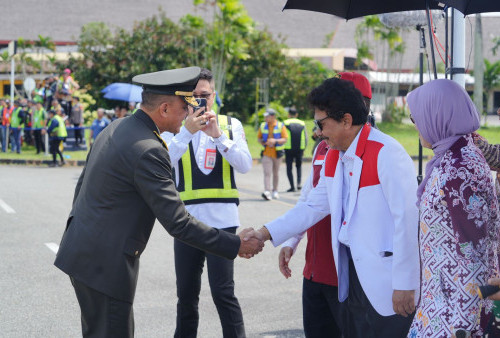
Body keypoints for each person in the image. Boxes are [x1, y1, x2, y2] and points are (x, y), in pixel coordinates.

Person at [53, 67, 263, 338]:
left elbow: (81, 187)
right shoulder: (149, 149)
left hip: (85, 252)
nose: (190, 113)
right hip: (106, 263)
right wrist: (236, 244)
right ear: (164, 108)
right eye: (184, 106)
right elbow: (178, 223)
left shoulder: (119, 127)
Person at [247, 77, 420, 337]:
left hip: (387, 281)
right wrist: (263, 233)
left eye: (321, 124)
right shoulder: (333, 157)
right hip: (350, 278)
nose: (317, 131)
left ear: (347, 121)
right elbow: (310, 208)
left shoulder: (387, 153)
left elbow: (408, 222)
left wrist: (406, 284)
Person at [277, 72, 375, 337]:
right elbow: (310, 199)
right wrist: (291, 241)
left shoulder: (377, 152)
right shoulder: (324, 147)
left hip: (347, 274)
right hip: (315, 269)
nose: (320, 127)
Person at [161, 68, 252, 338]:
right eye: (194, 96)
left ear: (214, 95)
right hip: (187, 222)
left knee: (223, 292)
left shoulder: (230, 125)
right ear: (186, 98)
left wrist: (218, 137)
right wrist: (188, 133)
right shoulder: (176, 128)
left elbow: (245, 165)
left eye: (205, 95)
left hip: (223, 222)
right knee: (186, 295)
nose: (200, 101)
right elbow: (164, 161)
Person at [406, 79, 500, 337]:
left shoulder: (458, 167)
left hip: (457, 308)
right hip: (441, 296)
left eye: (416, 119)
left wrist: (475, 304)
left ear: (438, 116)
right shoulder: (452, 156)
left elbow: (477, 248)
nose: (416, 126)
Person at [258, 108, 287, 200]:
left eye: (267, 116)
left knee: (276, 173)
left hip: (277, 153)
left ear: (273, 116)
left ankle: (275, 191)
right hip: (266, 152)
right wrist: (263, 142)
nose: (265, 118)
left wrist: (275, 141)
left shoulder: (280, 125)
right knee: (267, 173)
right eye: (265, 116)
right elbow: (259, 138)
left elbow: (285, 139)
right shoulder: (262, 125)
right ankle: (267, 191)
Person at [283, 108, 307, 192]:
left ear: (289, 115)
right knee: (299, 166)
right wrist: (304, 147)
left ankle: (292, 186)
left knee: (289, 168)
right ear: (296, 114)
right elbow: (306, 137)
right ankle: (299, 184)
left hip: (288, 148)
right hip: (300, 148)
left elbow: (283, 135)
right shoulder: (302, 123)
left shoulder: (285, 123)